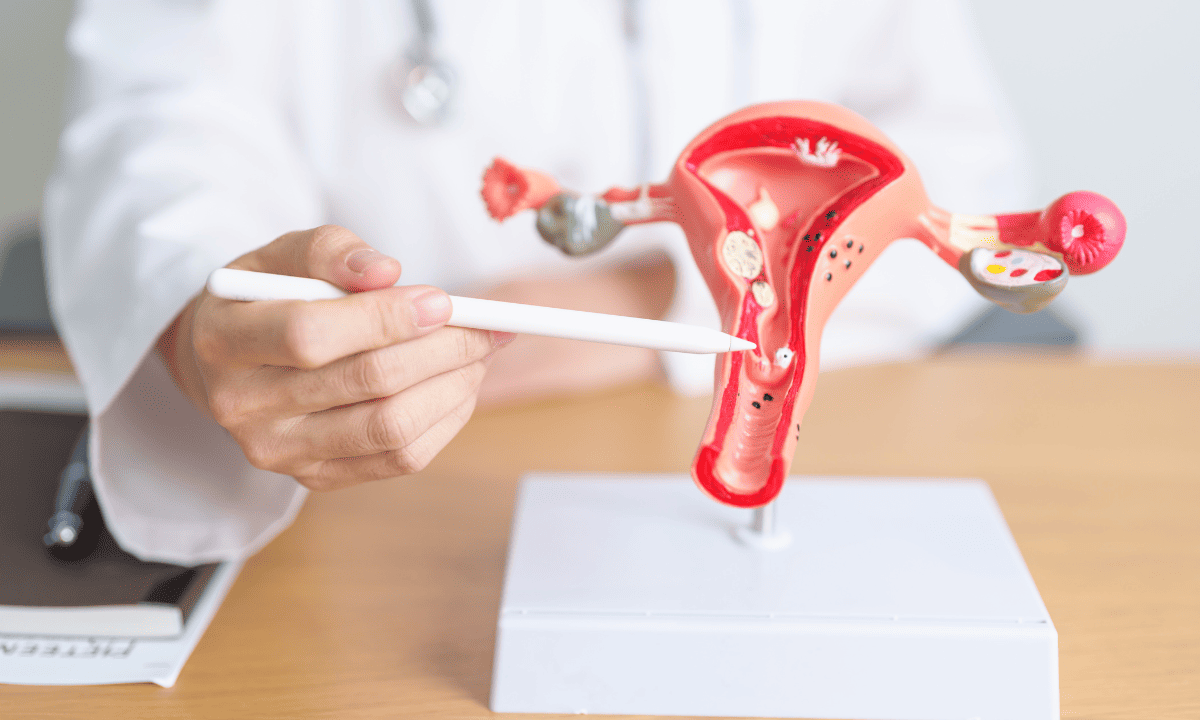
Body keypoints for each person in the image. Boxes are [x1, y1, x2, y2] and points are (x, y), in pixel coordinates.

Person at [42, 0, 1028, 565]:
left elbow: (956, 162)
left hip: (691, 395)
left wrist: (633, 304)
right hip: (381, 513)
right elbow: (162, 128)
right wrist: (206, 321)